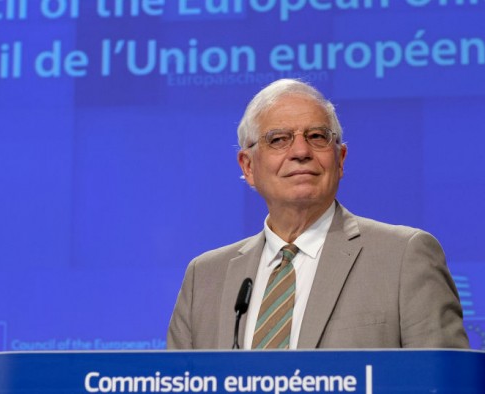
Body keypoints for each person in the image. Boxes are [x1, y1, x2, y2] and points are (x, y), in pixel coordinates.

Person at [167, 79, 469, 350]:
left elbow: (446, 382)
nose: (301, 151)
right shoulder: (205, 277)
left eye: (317, 136)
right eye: (278, 139)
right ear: (248, 167)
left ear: (340, 159)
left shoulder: (404, 256)